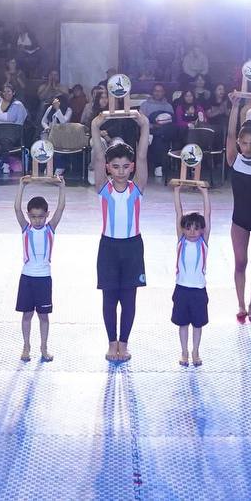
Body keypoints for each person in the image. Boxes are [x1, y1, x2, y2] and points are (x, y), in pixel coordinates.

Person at [90, 108, 151, 362]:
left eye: (126, 167)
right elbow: (95, 155)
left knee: (128, 297)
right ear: (107, 168)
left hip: (132, 247)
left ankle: (124, 343)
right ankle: (111, 342)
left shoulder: (137, 188)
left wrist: (144, 125)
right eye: (115, 167)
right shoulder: (103, 188)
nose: (121, 171)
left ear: (132, 167)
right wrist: (95, 125)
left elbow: (143, 155)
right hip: (109, 248)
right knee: (109, 297)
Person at [14, 176, 66, 363]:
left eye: (41, 216)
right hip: (27, 278)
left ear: (46, 215)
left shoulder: (50, 229)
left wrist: (62, 187)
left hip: (44, 279)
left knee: (43, 316)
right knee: (27, 315)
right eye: (33, 216)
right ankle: (26, 345)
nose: (37, 220)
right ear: (29, 216)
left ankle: (44, 346)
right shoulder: (25, 228)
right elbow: (16, 209)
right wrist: (21, 185)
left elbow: (61, 208)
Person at [225, 97, 251, 325]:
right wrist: (234, 106)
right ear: (240, 143)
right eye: (246, 143)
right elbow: (230, 135)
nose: (249, 147)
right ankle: (241, 304)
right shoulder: (234, 160)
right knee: (240, 262)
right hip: (239, 220)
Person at [172, 184, 212, 367]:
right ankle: (184, 351)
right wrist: (177, 192)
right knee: (183, 324)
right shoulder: (181, 242)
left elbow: (208, 216)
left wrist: (204, 194)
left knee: (197, 324)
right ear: (183, 230)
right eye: (188, 228)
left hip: (198, 291)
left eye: (197, 228)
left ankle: (196, 350)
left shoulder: (203, 243)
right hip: (181, 290)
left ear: (202, 230)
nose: (193, 232)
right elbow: (178, 213)